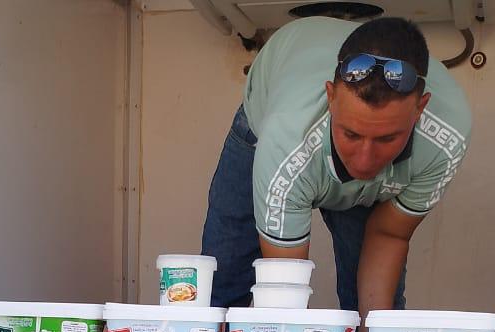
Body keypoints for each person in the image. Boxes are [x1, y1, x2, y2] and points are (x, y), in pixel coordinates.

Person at [202, 15, 472, 315]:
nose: (364, 161)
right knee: (222, 283)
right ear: (331, 96)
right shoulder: (287, 141)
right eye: (351, 134)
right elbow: (284, 297)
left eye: (387, 138)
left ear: (420, 109)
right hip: (275, 123)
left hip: (317, 146)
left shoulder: (445, 139)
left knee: (376, 312)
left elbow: (389, 236)